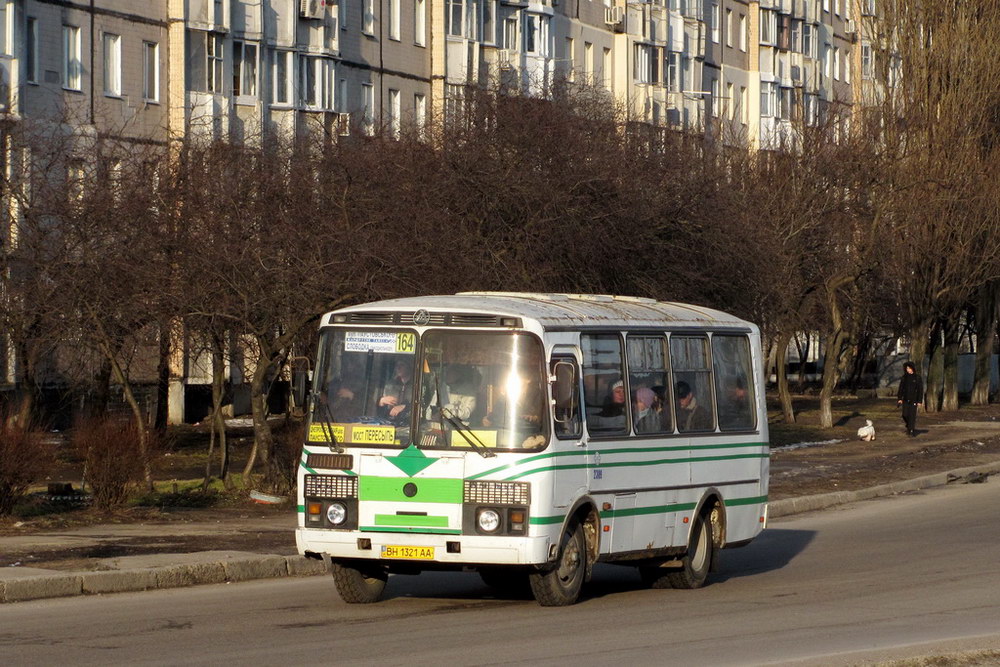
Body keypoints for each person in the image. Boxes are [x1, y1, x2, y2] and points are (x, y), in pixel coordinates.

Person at [378, 359, 414, 424]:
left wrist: (405, 407)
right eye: (397, 365)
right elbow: (376, 406)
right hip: (389, 422)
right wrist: (381, 401)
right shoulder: (390, 384)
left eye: (402, 365)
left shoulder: (417, 385)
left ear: (409, 367)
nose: (398, 368)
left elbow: (423, 404)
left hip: (410, 424)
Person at [897, 361, 923, 437]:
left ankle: (911, 430)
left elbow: (920, 390)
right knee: (904, 414)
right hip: (905, 399)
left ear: (913, 368)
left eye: (909, 368)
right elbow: (901, 388)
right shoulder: (904, 378)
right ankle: (909, 425)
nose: (908, 370)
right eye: (907, 368)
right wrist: (899, 398)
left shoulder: (917, 378)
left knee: (912, 415)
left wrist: (919, 401)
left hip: (914, 400)